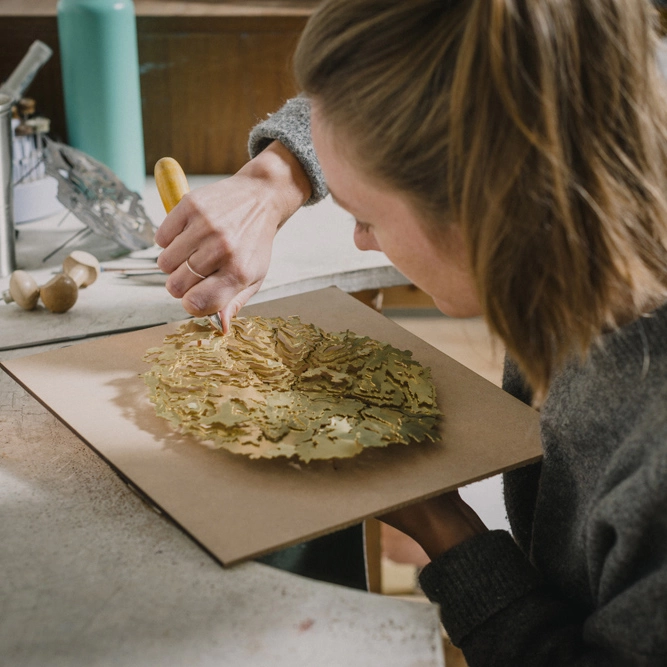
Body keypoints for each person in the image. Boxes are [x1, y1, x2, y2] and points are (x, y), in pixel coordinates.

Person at [155, 0, 667, 663]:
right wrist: (273, 177)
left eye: (362, 213)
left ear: (485, 208)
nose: (359, 241)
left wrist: (445, 529)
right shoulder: (602, 87)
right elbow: (421, 65)